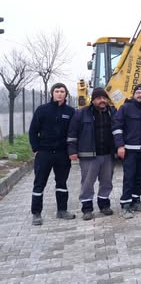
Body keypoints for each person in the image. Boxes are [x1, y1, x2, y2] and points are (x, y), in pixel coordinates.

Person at [29, 83, 76, 225]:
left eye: (62, 91)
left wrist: (71, 150)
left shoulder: (70, 111)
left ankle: (62, 210)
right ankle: (36, 213)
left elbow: (73, 132)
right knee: (39, 183)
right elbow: (33, 131)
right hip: (44, 153)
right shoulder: (42, 110)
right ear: (52, 93)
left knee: (62, 183)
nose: (59, 94)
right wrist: (36, 148)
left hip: (62, 154)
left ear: (66, 94)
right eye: (57, 91)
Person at [67, 87, 116, 220]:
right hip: (88, 155)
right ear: (93, 100)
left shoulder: (112, 112)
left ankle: (104, 204)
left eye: (104, 98)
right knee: (87, 182)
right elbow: (72, 133)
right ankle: (87, 208)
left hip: (107, 154)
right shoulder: (81, 114)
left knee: (107, 181)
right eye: (99, 98)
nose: (102, 100)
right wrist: (72, 151)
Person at [112, 84, 141, 219]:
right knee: (129, 177)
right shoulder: (125, 108)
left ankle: (136, 200)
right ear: (133, 94)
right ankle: (126, 204)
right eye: (138, 93)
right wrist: (120, 146)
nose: (140, 95)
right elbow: (117, 127)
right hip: (130, 150)